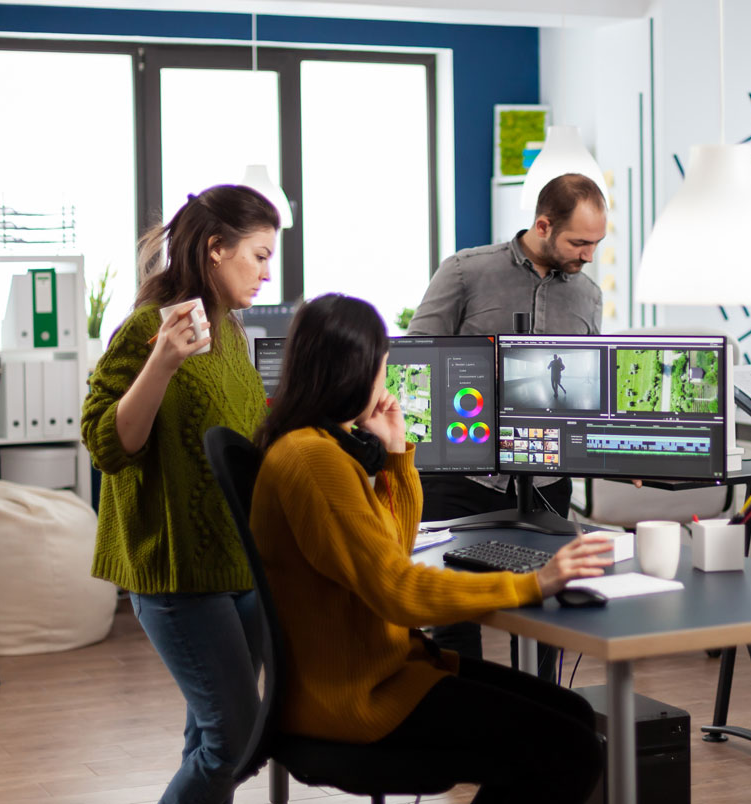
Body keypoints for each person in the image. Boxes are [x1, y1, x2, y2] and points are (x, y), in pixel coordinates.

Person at [249, 294, 608, 803]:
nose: (385, 386)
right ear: (355, 374)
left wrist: (396, 455)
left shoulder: (311, 446)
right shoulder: (315, 462)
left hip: (378, 674)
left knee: (573, 716)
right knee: (571, 749)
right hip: (359, 700)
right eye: (382, 371)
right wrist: (534, 583)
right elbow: (399, 592)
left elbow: (389, 555)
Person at [82, 185, 278, 804]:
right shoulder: (149, 328)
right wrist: (161, 363)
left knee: (213, 744)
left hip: (237, 565)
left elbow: (242, 438)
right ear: (216, 248)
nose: (267, 273)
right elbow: (108, 445)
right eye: (259, 255)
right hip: (175, 570)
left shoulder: (231, 333)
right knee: (234, 742)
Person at [407, 173, 606, 672]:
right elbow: (414, 360)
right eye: (579, 243)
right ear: (543, 225)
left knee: (549, 609)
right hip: (462, 474)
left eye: (596, 244)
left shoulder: (588, 294)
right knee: (455, 614)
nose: (588, 256)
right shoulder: (465, 272)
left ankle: (543, 709)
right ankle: (469, 711)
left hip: (547, 478)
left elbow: (585, 387)